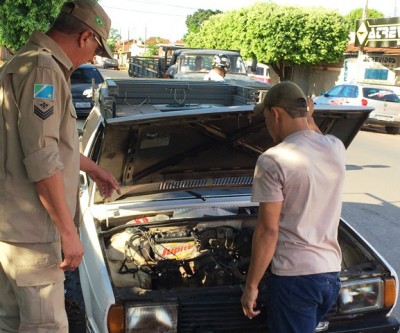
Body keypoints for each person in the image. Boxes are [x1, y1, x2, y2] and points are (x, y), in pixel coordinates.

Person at [0, 1, 120, 332]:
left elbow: (39, 144)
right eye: (97, 47)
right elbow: (41, 157)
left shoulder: (22, 62)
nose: (95, 57)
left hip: (13, 232)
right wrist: (68, 232)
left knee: (11, 324)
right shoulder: (45, 70)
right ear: (85, 36)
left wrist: (93, 168)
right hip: (35, 236)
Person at [240, 81, 345, 333]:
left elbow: (268, 231)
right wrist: (308, 117)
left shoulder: (273, 159)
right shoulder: (335, 147)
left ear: (275, 114)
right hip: (329, 275)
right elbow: (313, 135)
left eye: (265, 116)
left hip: (294, 278)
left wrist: (251, 285)